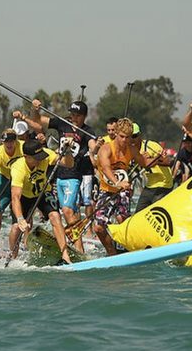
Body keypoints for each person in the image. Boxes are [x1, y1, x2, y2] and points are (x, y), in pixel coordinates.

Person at [23, 99, 96, 253]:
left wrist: (96, 147)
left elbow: (92, 146)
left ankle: (79, 249)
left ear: (84, 116)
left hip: (73, 176)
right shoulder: (62, 123)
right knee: (62, 213)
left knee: (68, 211)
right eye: (72, 114)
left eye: (77, 115)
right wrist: (35, 109)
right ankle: (66, 244)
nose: (73, 117)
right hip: (58, 176)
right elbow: (37, 120)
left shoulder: (88, 131)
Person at [9, 139, 74, 263]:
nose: (40, 160)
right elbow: (15, 197)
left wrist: (68, 151)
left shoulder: (45, 156)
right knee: (16, 227)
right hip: (24, 197)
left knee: (55, 216)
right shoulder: (18, 168)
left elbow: (69, 164)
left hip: (42, 192)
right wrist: (20, 218)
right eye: (36, 158)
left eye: (41, 156)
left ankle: (65, 255)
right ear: (26, 156)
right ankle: (13, 257)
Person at [93, 118, 146, 256]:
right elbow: (105, 168)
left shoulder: (131, 149)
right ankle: (112, 252)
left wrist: (159, 157)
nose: (124, 140)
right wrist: (117, 183)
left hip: (123, 192)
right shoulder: (106, 149)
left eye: (128, 137)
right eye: (122, 136)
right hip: (107, 191)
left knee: (123, 221)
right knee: (98, 228)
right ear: (116, 133)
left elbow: (143, 162)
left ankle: (127, 250)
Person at [0, 129, 24, 248]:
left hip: (20, 179)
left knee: (21, 209)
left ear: (16, 141)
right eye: (6, 142)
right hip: (4, 178)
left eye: (11, 141)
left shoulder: (23, 147)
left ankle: (24, 241)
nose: (9, 144)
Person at [132, 123, 174, 212]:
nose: (132, 139)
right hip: (149, 185)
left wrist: (151, 159)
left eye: (134, 136)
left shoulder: (151, 145)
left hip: (163, 184)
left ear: (139, 135)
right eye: (129, 137)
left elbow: (168, 161)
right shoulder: (131, 150)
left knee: (156, 214)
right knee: (138, 215)